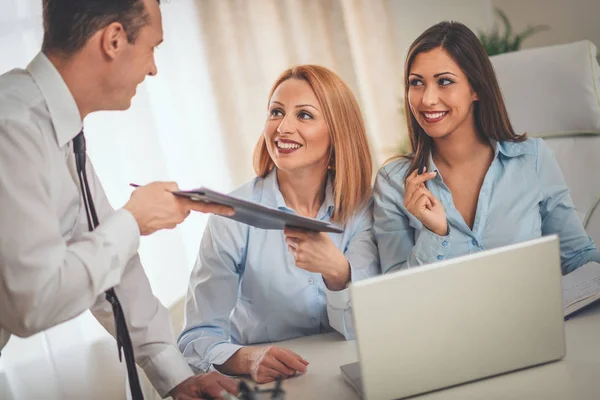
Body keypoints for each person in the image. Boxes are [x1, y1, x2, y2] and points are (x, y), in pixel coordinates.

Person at [0, 0, 239, 399]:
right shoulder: (13, 126)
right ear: (113, 39)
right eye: (152, 47)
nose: (153, 68)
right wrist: (134, 221)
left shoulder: (57, 128)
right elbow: (33, 302)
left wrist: (177, 377)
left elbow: (101, 254)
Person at [178, 65, 380, 384]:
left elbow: (372, 328)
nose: (283, 127)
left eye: (304, 115)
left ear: (337, 132)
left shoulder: (363, 209)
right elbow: (195, 340)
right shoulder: (231, 217)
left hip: (350, 377)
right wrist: (247, 358)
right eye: (276, 112)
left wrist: (339, 274)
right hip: (270, 387)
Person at [373, 21, 600, 275]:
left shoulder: (533, 159)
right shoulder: (393, 182)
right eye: (416, 83)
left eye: (444, 81)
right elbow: (396, 294)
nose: (427, 99)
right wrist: (434, 234)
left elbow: (578, 256)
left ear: (477, 88)